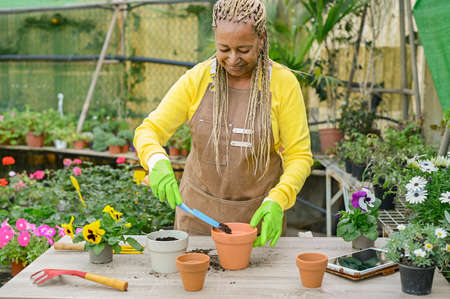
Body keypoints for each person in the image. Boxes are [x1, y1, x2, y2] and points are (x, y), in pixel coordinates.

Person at [134, 0, 313, 248]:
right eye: (224, 48)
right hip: (196, 218)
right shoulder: (198, 78)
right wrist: (156, 161)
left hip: (255, 222)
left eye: (243, 49)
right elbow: (149, 131)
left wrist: (278, 200)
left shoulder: (283, 84)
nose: (232, 59)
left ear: (261, 38)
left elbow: (299, 156)